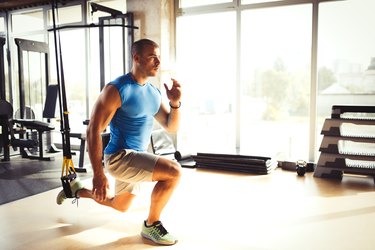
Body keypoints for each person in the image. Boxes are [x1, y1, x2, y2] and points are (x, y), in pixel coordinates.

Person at [56, 39, 182, 246]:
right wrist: (98, 174)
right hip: (120, 157)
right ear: (136, 58)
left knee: (120, 205)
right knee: (174, 171)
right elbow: (93, 130)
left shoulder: (153, 92)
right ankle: (152, 225)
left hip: (136, 156)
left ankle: (75, 190)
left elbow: (171, 126)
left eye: (159, 57)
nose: (158, 62)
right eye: (152, 57)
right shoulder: (117, 89)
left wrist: (175, 104)